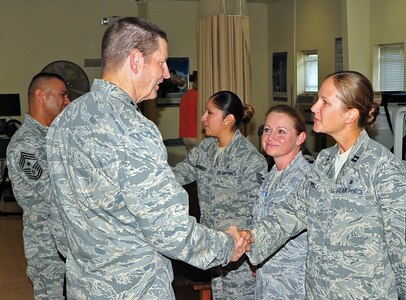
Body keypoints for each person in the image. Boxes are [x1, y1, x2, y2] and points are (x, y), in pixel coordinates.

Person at [45, 17, 250, 299]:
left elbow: (57, 214)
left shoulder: (64, 120)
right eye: (161, 62)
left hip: (84, 285)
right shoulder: (133, 129)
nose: (166, 73)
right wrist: (226, 245)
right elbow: (169, 230)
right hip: (135, 288)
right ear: (136, 61)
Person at [241, 71, 406, 299]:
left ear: (350, 115)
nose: (314, 107)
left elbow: (402, 248)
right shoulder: (324, 162)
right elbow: (290, 213)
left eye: (325, 102)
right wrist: (249, 237)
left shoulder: (383, 168)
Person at [172, 90, 268, 299]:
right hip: (214, 247)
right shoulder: (204, 150)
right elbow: (178, 175)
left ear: (228, 119)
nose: (203, 118)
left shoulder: (250, 159)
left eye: (209, 113)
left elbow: (259, 211)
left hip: (240, 252)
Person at [6, 72, 70, 299]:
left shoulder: (51, 137)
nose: (67, 101)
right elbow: (55, 192)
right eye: (62, 95)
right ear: (41, 96)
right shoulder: (26, 145)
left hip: (65, 240)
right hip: (47, 246)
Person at [252, 104, 310, 299]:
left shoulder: (305, 179)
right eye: (267, 130)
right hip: (267, 279)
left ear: (300, 138)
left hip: (293, 284)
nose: (271, 137)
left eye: (281, 131)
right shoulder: (273, 174)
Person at [178, 74, 198, 152]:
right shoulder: (199, 96)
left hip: (185, 136)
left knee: (191, 162)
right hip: (196, 134)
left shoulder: (185, 96)